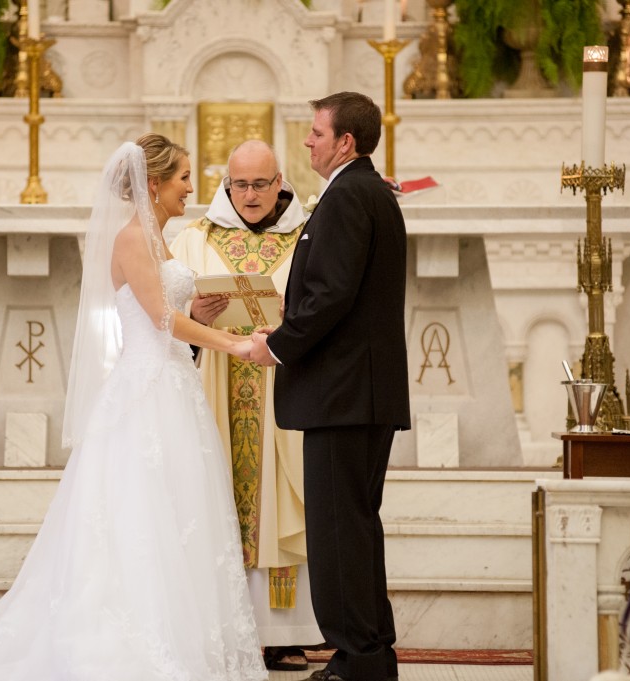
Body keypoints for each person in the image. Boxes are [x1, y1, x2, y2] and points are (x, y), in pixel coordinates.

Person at [0, 134, 268, 681]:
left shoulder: (162, 239)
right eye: (184, 177)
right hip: (146, 393)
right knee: (140, 516)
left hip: (173, 385)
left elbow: (168, 313)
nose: (193, 188)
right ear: (155, 185)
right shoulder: (133, 239)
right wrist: (236, 344)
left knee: (178, 515)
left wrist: (203, 314)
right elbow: (161, 324)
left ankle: (181, 639)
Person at [251, 92, 411, 681]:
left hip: (343, 395)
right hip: (359, 392)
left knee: (340, 532)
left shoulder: (349, 195)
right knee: (355, 528)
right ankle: (369, 652)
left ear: (345, 141)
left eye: (316, 133)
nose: (308, 142)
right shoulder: (366, 191)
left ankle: (357, 662)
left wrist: (277, 344)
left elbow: (331, 295)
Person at [170, 140, 323, 673]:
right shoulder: (193, 239)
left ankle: (286, 633)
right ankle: (226, 631)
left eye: (261, 184)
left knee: (285, 498)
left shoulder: (309, 238)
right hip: (215, 385)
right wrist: (198, 314)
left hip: (286, 388)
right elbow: (165, 319)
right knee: (217, 503)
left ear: (281, 181)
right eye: (241, 184)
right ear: (226, 184)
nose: (251, 195)